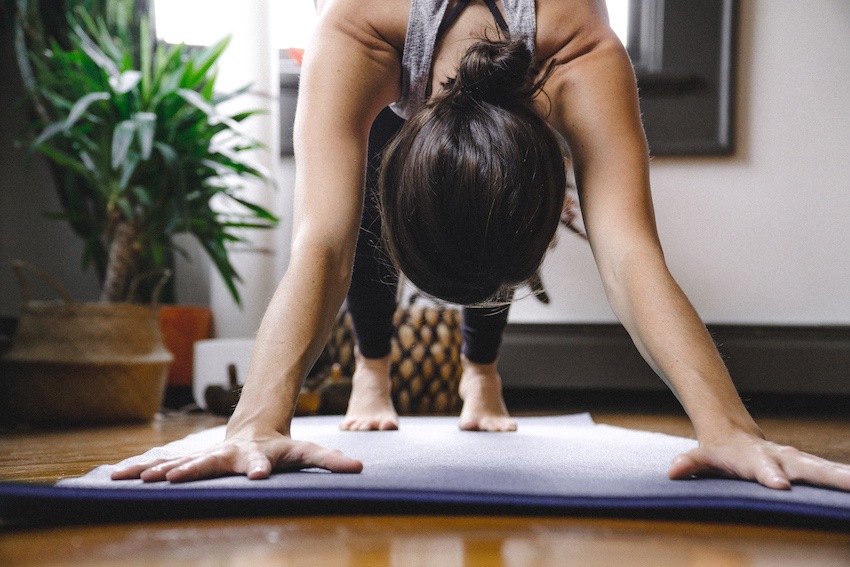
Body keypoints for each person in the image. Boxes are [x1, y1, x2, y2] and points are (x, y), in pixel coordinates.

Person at [114, 0, 850, 491]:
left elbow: (629, 255)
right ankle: (378, 373)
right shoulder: (357, 26)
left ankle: (482, 371)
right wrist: (255, 421)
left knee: (487, 193)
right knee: (367, 198)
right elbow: (327, 242)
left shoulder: (578, 43)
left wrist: (728, 427)